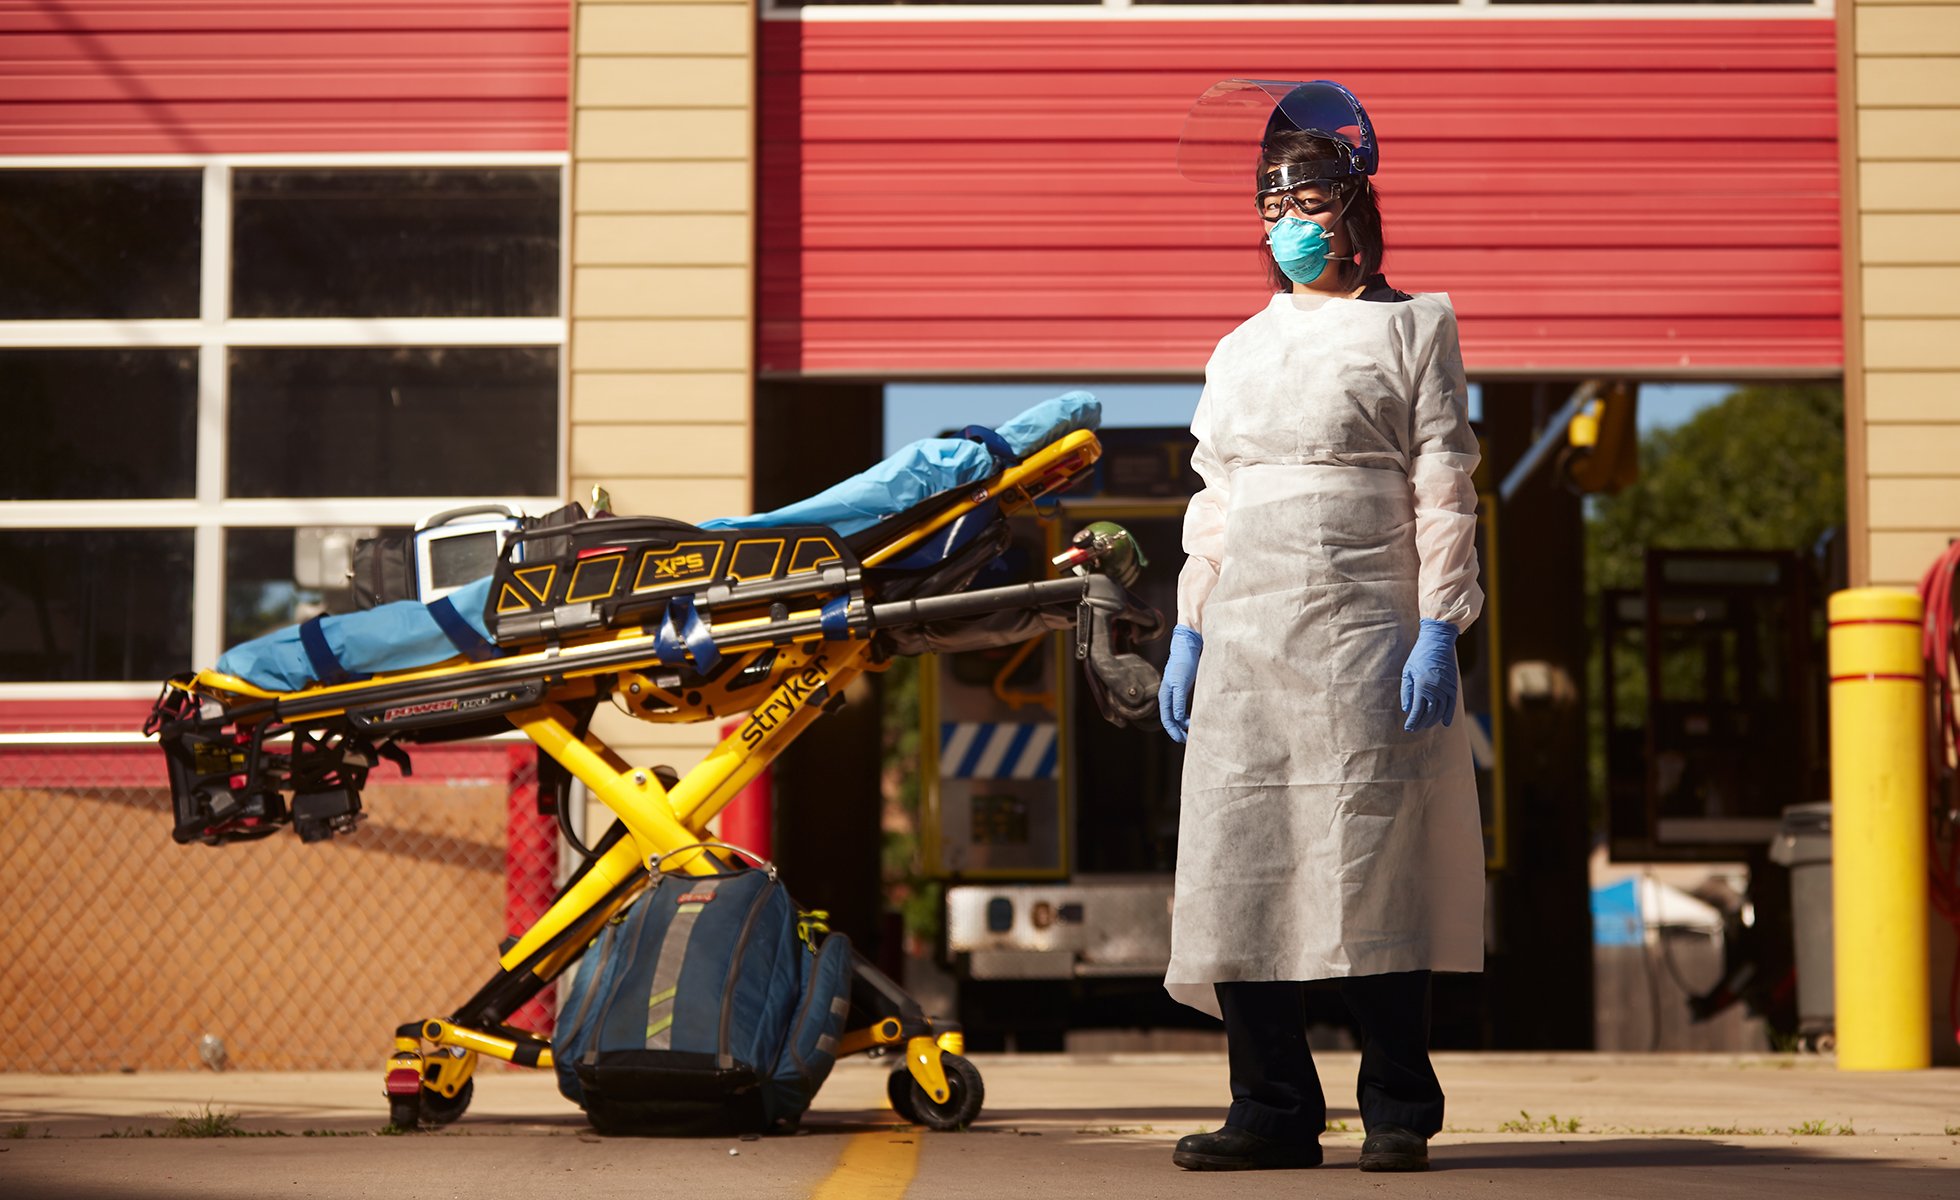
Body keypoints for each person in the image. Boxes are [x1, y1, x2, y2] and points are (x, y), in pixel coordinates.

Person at [1157, 80, 1484, 1174]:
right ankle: (1271, 1111)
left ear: (1353, 204)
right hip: (1246, 635)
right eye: (1269, 202)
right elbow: (1212, 500)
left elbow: (1443, 483)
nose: (1287, 219)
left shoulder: (1413, 325)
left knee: (1372, 855)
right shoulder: (1237, 349)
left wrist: (1440, 622)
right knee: (1238, 853)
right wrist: (1188, 631)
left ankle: (1396, 1108)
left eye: (1305, 194)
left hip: (1363, 632)